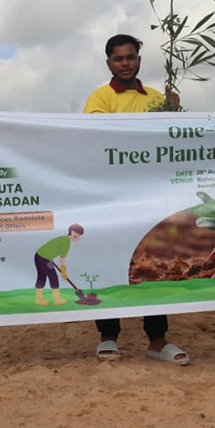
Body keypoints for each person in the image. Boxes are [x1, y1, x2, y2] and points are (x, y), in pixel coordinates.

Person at [83, 34, 190, 365]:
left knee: (155, 263)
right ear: (109, 63)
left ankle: (157, 340)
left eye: (130, 57)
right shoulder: (100, 99)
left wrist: (173, 114)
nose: (125, 63)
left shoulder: (157, 97)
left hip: (152, 198)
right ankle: (108, 336)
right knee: (110, 262)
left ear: (139, 60)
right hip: (113, 196)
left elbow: (172, 144)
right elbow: (98, 140)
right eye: (118, 59)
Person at [34, 224, 84, 306]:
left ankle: (39, 300)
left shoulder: (63, 238)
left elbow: (52, 248)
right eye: (75, 232)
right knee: (53, 277)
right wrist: (64, 273)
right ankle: (57, 300)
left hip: (39, 256)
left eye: (79, 234)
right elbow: (62, 260)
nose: (77, 235)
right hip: (45, 259)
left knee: (42, 277)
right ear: (70, 232)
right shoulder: (66, 242)